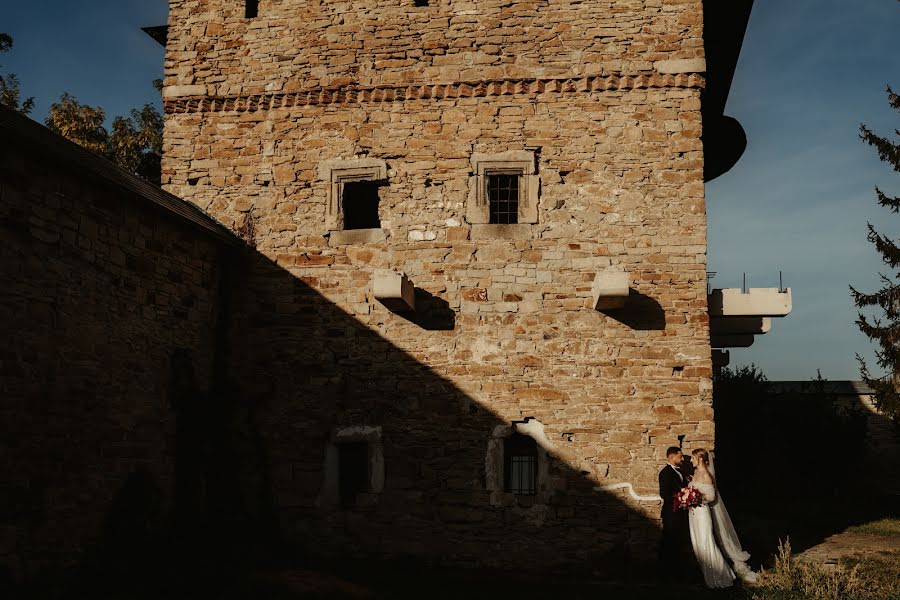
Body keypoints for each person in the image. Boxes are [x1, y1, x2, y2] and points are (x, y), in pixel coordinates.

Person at [687, 448, 758, 588]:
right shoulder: (695, 473)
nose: (691, 460)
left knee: (706, 544)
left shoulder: (706, 475)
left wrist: (695, 498)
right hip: (693, 514)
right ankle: (706, 575)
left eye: (693, 458)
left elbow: (711, 497)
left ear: (700, 459)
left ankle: (720, 576)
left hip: (702, 514)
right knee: (698, 545)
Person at [658, 446, 690, 581]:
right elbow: (665, 494)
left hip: (679, 513)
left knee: (678, 542)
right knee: (670, 542)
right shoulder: (665, 473)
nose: (682, 459)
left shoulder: (680, 471)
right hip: (671, 514)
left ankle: (678, 571)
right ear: (672, 457)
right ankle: (666, 573)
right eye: (680, 456)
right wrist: (681, 497)